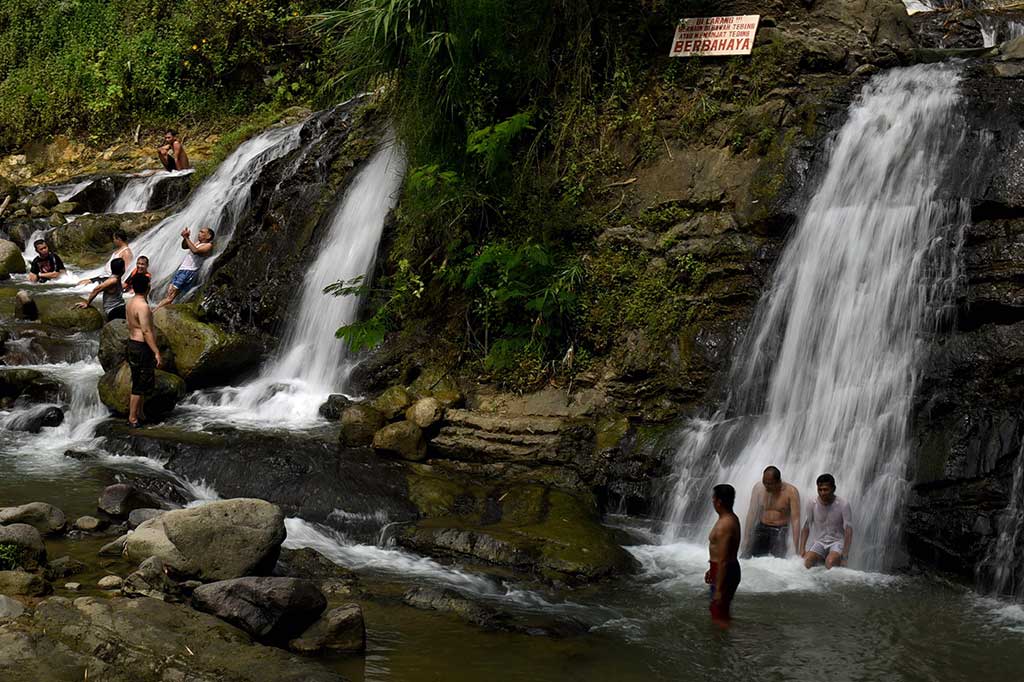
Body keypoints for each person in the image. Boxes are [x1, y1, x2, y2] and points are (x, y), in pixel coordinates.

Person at [125, 275, 163, 428]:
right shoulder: (143, 306)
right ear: (147, 287)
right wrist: (156, 352)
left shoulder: (130, 302)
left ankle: (140, 413)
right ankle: (133, 418)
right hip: (141, 347)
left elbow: (130, 324)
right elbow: (146, 331)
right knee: (140, 384)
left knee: (137, 379)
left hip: (132, 344)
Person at [742, 466, 801, 558]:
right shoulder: (758, 489)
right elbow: (752, 513)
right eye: (764, 482)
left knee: (777, 563)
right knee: (746, 557)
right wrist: (746, 537)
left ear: (778, 482)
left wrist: (796, 547)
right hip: (762, 527)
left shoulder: (791, 492)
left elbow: (796, 520)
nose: (766, 486)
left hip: (780, 529)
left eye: (770, 484)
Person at [799, 473, 854, 570]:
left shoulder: (843, 504)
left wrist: (845, 556)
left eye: (825, 489)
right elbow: (806, 526)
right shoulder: (812, 503)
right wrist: (802, 549)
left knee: (830, 562)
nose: (822, 493)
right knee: (806, 562)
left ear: (833, 489)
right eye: (820, 490)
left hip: (837, 542)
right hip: (819, 541)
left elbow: (848, 531)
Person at [705, 483, 741, 624]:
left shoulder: (724, 525)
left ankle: (722, 643)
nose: (712, 501)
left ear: (719, 501)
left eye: (713, 499)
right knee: (720, 612)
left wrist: (719, 589)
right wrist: (711, 568)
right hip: (723, 569)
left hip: (725, 571)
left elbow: (724, 559)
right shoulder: (731, 518)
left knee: (719, 614)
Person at [155, 227, 214, 310]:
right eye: (199, 231)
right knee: (169, 292)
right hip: (182, 269)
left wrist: (186, 238)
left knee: (171, 295)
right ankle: (159, 311)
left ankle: (153, 312)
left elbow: (195, 251)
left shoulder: (208, 245)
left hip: (188, 271)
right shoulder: (198, 243)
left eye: (202, 232)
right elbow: (184, 246)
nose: (199, 233)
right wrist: (185, 238)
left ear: (208, 236)